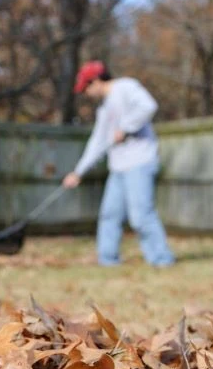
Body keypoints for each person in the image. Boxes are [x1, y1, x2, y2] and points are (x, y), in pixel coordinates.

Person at [63, 60, 175, 268]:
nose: (86, 94)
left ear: (96, 81)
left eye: (86, 88)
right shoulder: (104, 108)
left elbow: (148, 106)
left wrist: (126, 127)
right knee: (110, 215)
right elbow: (97, 142)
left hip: (140, 161)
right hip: (118, 167)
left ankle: (161, 259)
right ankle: (108, 259)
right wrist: (78, 172)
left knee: (141, 216)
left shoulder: (126, 87)